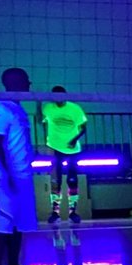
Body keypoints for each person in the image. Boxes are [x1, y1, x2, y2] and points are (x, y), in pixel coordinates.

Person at [0, 68, 39, 265]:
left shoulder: (18, 109)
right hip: (6, 175)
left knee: (19, 223)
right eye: (26, 80)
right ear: (15, 82)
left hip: (23, 174)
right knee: (2, 222)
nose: (29, 84)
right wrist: (6, 172)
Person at [40, 86, 88, 224]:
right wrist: (37, 104)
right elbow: (41, 121)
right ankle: (55, 212)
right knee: (56, 180)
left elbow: (84, 128)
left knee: (72, 180)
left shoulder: (75, 108)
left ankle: (73, 212)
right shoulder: (48, 108)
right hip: (55, 148)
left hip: (72, 150)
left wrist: (74, 140)